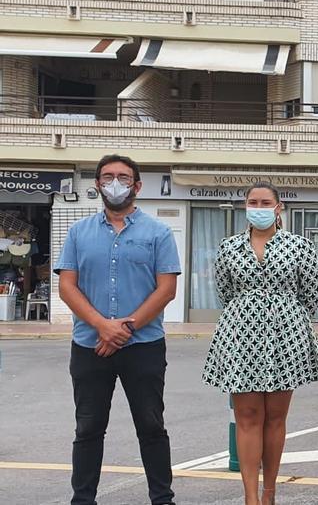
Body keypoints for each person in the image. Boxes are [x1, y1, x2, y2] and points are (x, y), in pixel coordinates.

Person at [56, 154, 181, 505]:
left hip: (144, 346)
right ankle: (82, 500)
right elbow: (67, 286)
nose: (115, 182)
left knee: (151, 426)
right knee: (88, 429)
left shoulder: (159, 232)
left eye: (123, 177)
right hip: (89, 345)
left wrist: (123, 329)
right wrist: (101, 326)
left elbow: (166, 289)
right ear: (97, 184)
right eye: (107, 176)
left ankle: (162, 499)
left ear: (136, 186)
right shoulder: (79, 232)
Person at [203, 182, 318, 505]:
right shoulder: (229, 247)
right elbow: (225, 292)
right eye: (252, 201)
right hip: (240, 335)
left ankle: (269, 491)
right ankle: (250, 497)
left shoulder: (300, 246)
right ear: (245, 206)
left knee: (275, 416)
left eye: (265, 202)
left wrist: (282, 315)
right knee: (246, 415)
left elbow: (310, 296)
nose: (258, 207)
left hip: (285, 336)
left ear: (278, 207)